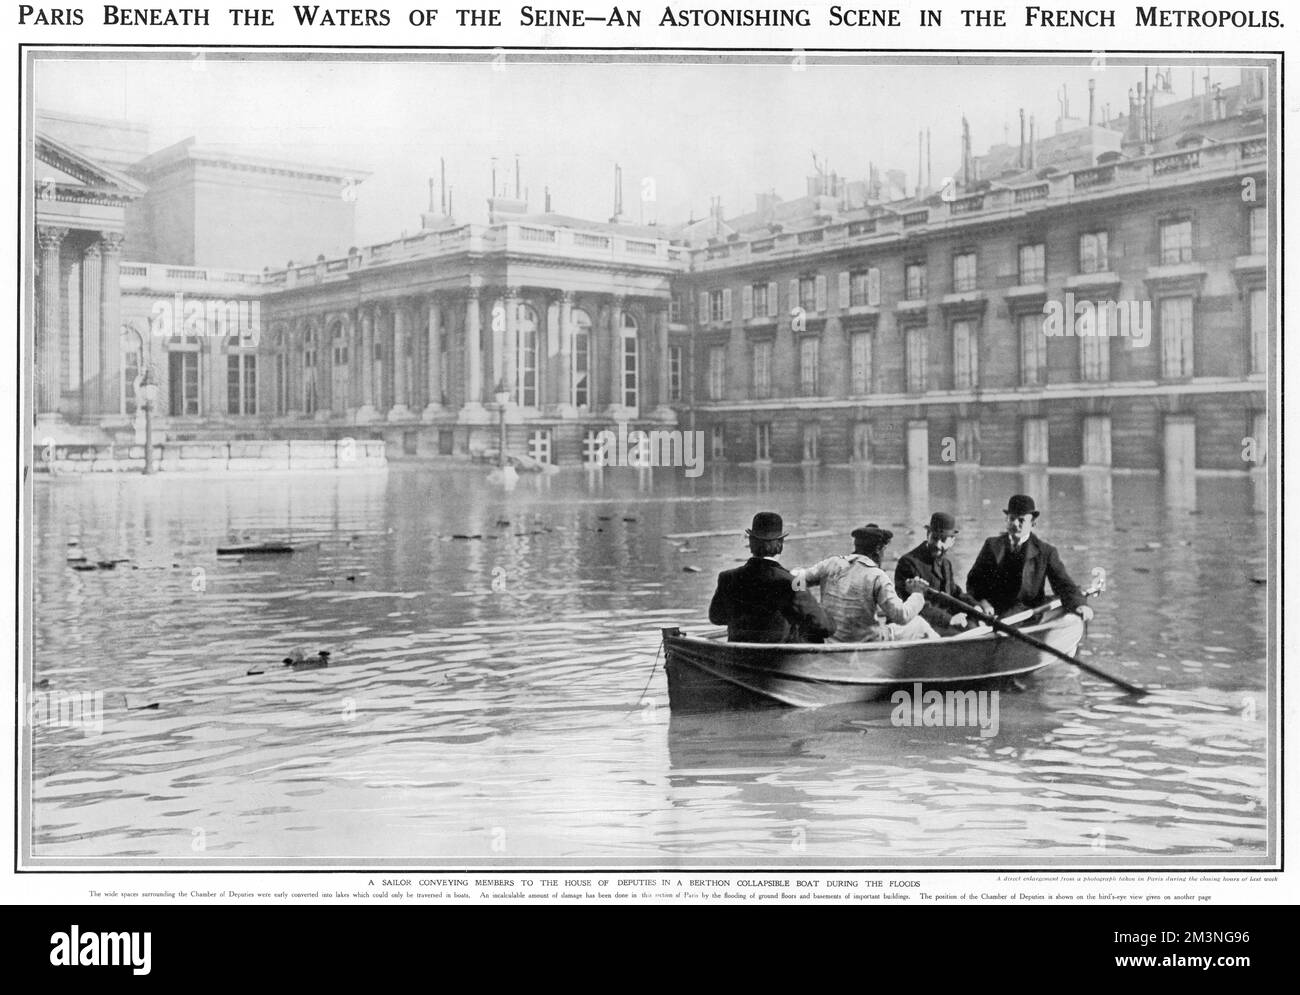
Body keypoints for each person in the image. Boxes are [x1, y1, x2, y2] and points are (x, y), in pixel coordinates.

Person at [794, 524, 938, 643]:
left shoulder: (831, 563)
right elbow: (901, 616)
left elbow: (797, 577)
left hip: (833, 639)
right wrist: (917, 594)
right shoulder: (877, 576)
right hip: (865, 641)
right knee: (919, 624)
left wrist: (805, 605)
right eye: (884, 550)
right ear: (879, 550)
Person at [708, 512, 836, 643]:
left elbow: (716, 618)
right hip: (779, 659)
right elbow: (825, 628)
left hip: (739, 655)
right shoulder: (792, 582)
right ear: (780, 543)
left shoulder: (727, 578)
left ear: (751, 542)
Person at [965, 494, 1094, 621]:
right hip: (992, 608)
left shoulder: (1045, 552)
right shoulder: (991, 545)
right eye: (1012, 519)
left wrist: (1080, 604)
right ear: (1006, 520)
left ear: (1033, 524)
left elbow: (1063, 584)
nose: (1015, 524)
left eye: (1021, 520)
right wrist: (982, 602)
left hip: (1027, 611)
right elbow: (974, 582)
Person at [895, 511, 978, 633]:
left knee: (974, 626)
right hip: (921, 625)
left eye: (943, 540)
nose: (938, 545)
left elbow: (954, 593)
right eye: (934, 538)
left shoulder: (946, 564)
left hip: (942, 623)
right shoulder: (908, 562)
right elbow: (914, 605)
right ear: (928, 534)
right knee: (966, 633)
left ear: (952, 541)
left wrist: (975, 606)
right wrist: (949, 619)